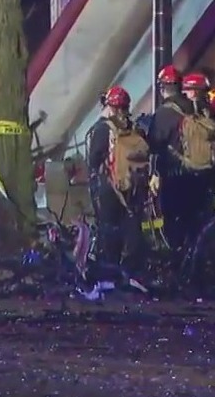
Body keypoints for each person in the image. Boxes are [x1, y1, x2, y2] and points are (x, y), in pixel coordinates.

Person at [147, 72, 215, 290]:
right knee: (199, 227)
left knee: (175, 228)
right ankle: (200, 273)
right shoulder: (209, 114)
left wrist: (155, 174)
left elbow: (154, 145)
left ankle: (178, 275)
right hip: (205, 180)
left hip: (176, 179)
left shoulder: (165, 113)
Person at [86, 86, 150, 292]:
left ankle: (109, 277)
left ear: (109, 106)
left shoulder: (103, 129)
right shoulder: (133, 128)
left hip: (109, 188)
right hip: (132, 188)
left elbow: (93, 160)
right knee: (131, 229)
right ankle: (131, 274)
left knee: (108, 230)